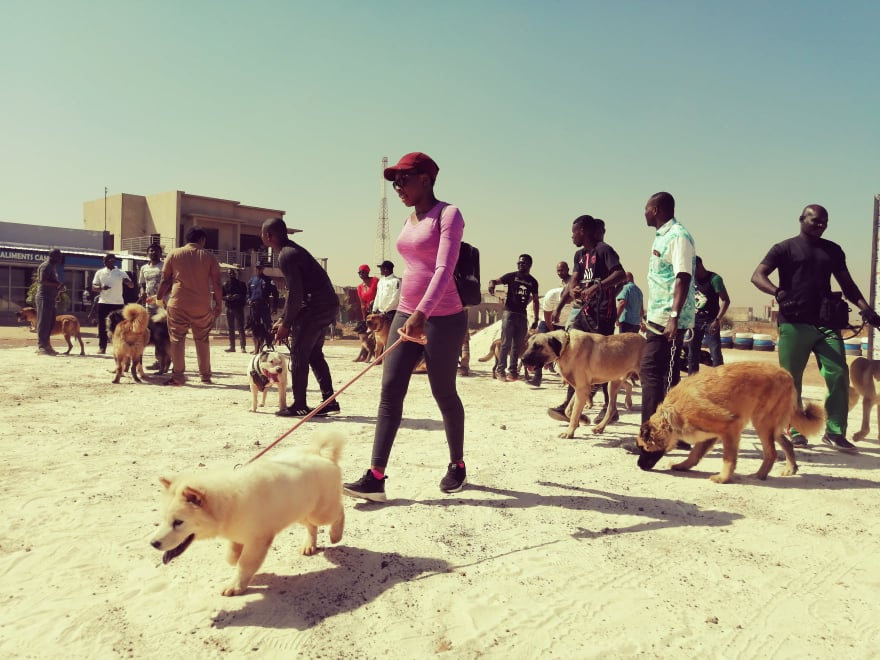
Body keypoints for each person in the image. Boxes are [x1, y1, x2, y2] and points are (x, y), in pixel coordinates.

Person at [344, 151, 469, 502]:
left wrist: (423, 314)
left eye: (404, 179)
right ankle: (376, 477)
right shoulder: (407, 219)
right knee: (389, 391)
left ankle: (457, 465)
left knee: (443, 392)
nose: (398, 186)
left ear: (426, 179)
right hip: (406, 312)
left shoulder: (449, 214)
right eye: (394, 181)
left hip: (443, 317)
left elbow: (444, 269)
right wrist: (410, 312)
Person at [751, 204, 880, 453]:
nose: (820, 225)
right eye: (815, 221)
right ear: (801, 219)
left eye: (825, 222)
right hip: (794, 323)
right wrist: (777, 292)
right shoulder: (784, 248)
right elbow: (757, 276)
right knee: (791, 381)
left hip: (826, 323)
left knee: (839, 374)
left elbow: (848, 284)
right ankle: (796, 429)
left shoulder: (832, 250)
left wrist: (865, 308)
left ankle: (834, 432)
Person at [630, 192, 696, 468]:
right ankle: (672, 435)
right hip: (658, 318)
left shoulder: (678, 235)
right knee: (666, 379)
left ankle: (650, 442)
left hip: (670, 320)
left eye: (646, 208)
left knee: (652, 375)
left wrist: (673, 316)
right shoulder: (661, 237)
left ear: (655, 209)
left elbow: (682, 276)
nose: (643, 213)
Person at [260, 217, 341, 418]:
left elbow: (296, 293)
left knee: (298, 353)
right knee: (313, 353)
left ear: (268, 236)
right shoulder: (292, 251)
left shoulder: (286, 255)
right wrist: (284, 319)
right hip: (326, 305)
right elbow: (298, 294)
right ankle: (329, 401)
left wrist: (287, 324)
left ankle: (299, 405)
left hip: (317, 307)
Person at [549, 215, 626, 420]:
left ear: (582, 231)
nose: (571, 235)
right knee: (573, 356)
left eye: (574, 231)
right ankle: (570, 407)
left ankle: (611, 409)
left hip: (603, 313)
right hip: (585, 312)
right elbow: (573, 280)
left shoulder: (604, 250)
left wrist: (596, 287)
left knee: (603, 361)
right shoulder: (579, 256)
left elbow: (620, 275)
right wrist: (561, 304)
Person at [156, 226, 223, 385]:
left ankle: (178, 376)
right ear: (202, 240)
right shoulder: (209, 257)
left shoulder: (174, 253)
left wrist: (159, 297)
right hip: (201, 305)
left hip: (178, 303)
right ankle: (205, 376)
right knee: (202, 339)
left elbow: (165, 280)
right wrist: (218, 304)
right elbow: (217, 283)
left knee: (177, 339)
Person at [487, 255, 540, 382]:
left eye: (524, 263)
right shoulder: (511, 276)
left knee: (517, 345)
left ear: (529, 265)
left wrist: (536, 318)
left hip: (522, 315)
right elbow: (495, 281)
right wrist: (491, 283)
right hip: (509, 313)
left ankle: (513, 372)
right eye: (519, 262)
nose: (521, 264)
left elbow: (536, 301)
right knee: (505, 343)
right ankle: (501, 371)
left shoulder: (533, 281)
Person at [528, 261, 571, 385]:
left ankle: (567, 377)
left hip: (563, 324)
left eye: (562, 270)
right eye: (558, 271)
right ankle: (537, 376)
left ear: (568, 269)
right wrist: (551, 330)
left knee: (564, 352)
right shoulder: (552, 295)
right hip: (547, 322)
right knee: (539, 346)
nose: (560, 273)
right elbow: (547, 317)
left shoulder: (572, 284)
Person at [688, 256, 730, 373]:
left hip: (711, 322)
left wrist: (717, 320)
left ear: (698, 265)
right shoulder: (692, 279)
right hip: (694, 322)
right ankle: (692, 383)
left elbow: (726, 300)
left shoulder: (714, 279)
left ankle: (720, 382)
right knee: (692, 355)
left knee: (716, 355)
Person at [92, 253, 136, 355]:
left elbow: (131, 285)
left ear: (114, 261)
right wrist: (101, 288)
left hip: (117, 303)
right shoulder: (99, 272)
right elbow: (94, 287)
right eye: (106, 260)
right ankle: (102, 347)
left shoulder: (120, 272)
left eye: (111, 260)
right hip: (103, 303)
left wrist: (127, 282)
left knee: (119, 326)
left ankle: (118, 347)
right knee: (102, 326)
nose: (109, 262)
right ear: (104, 261)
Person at [138, 243, 164, 368]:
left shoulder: (164, 266)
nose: (153, 252)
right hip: (149, 306)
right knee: (149, 333)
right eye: (151, 250)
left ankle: (161, 361)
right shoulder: (144, 268)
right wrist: (142, 293)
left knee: (161, 333)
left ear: (160, 253)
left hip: (162, 306)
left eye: (156, 250)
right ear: (147, 253)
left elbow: (170, 283)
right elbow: (142, 284)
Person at [35, 248, 64, 355]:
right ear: (52, 256)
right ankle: (41, 346)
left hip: (50, 298)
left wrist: (59, 287)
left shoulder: (52, 267)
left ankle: (47, 344)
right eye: (58, 256)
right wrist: (57, 285)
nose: (60, 258)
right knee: (44, 322)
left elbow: (52, 281)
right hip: (44, 297)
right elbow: (42, 280)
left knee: (50, 322)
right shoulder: (45, 266)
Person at [246, 263, 277, 353]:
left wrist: (274, 307)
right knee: (255, 327)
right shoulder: (251, 280)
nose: (258, 269)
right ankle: (256, 348)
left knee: (267, 326)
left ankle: (268, 346)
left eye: (260, 268)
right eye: (257, 268)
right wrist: (248, 300)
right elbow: (248, 293)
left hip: (264, 306)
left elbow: (275, 293)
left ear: (263, 269)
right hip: (254, 307)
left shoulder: (268, 280)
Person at [222, 268, 247, 352]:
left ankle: (243, 346)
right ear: (227, 275)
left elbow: (245, 296)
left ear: (235, 274)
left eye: (232, 273)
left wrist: (238, 296)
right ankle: (232, 346)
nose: (231, 275)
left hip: (238, 308)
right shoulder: (225, 284)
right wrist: (227, 297)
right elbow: (221, 296)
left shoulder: (241, 284)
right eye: (229, 273)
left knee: (241, 328)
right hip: (229, 308)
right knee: (230, 328)